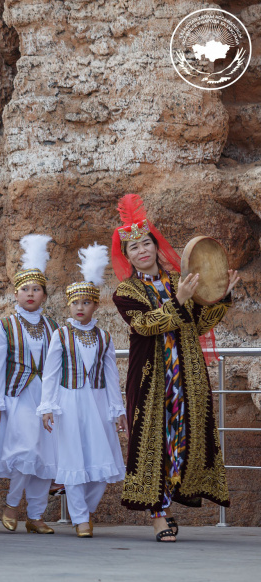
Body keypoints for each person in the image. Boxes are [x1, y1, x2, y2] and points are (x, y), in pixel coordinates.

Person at [110, 193, 238, 542]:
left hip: (187, 374)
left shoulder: (178, 281)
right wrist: (177, 300)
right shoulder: (126, 291)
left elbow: (197, 325)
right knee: (153, 441)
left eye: (146, 242)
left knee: (184, 438)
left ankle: (171, 501)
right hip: (152, 378)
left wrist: (220, 296)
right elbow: (145, 325)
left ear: (155, 244)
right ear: (128, 256)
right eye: (133, 247)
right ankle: (158, 514)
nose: (142, 250)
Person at [38, 243, 126, 538]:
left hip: (99, 403)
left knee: (102, 462)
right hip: (70, 403)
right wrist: (47, 406)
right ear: (69, 306)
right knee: (74, 458)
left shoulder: (104, 337)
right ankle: (80, 518)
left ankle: (85, 510)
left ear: (95, 305)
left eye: (85, 303)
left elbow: (112, 376)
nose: (80, 308)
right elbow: (50, 374)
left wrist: (118, 410)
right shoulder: (61, 335)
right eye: (75, 303)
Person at [0, 234, 58, 534]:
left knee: (48, 455)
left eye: (36, 289)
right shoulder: (5, 326)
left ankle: (37, 515)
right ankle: (12, 504)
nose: (30, 293)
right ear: (15, 294)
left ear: (44, 294)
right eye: (25, 289)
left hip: (47, 399)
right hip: (18, 396)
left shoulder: (54, 327)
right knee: (27, 450)